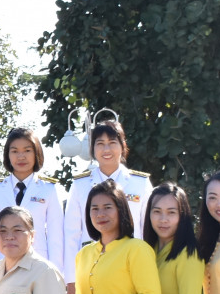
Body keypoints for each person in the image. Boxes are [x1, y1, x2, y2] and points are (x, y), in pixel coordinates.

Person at [62, 114, 152, 283]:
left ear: (123, 146)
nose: (106, 150)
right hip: (91, 269)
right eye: (100, 144)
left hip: (132, 265)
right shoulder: (80, 185)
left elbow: (148, 229)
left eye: (112, 143)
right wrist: (71, 280)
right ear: (92, 149)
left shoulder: (140, 183)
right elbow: (71, 234)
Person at [0, 128, 67, 276]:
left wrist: (56, 273)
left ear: (36, 153)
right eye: (15, 151)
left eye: (27, 150)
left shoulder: (48, 189)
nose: (21, 156)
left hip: (39, 264)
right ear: (7, 155)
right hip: (3, 264)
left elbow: (56, 237)